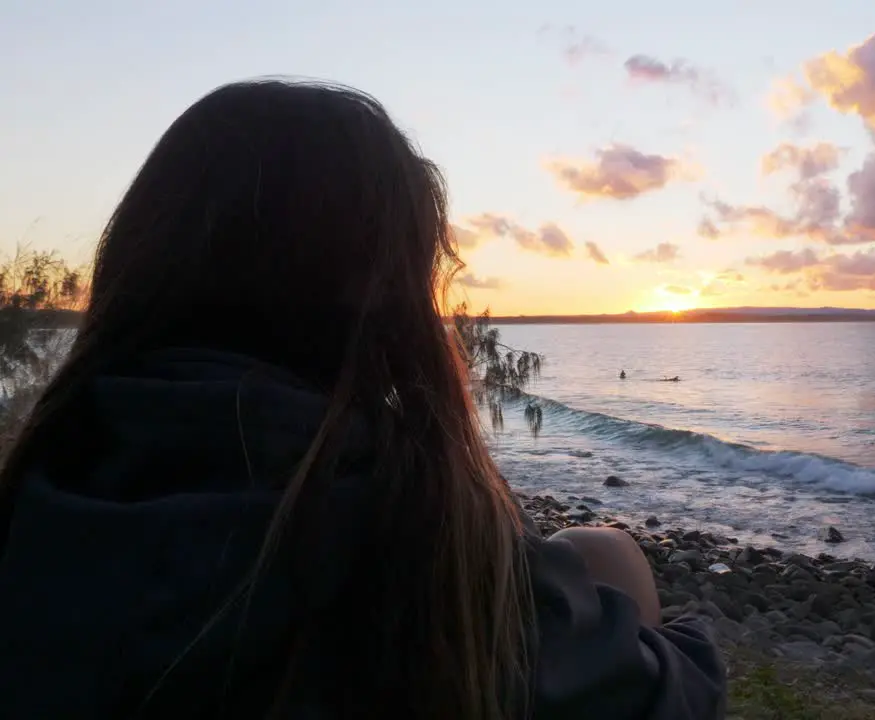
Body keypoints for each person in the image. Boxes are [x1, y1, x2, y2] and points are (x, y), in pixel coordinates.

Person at [0, 81, 724, 720]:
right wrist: (671, 626)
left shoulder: (44, 490)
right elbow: (679, 694)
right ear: (383, 298)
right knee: (609, 554)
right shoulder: (403, 540)